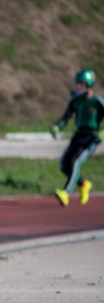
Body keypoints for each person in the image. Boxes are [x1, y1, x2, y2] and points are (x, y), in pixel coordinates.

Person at [50, 69, 104, 207]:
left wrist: (102, 133)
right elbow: (66, 117)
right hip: (78, 135)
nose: (78, 87)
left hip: (91, 137)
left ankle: (66, 192)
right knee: (64, 165)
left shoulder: (98, 101)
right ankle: (84, 185)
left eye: (81, 84)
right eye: (77, 84)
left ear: (88, 84)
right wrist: (57, 127)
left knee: (75, 161)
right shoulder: (76, 101)